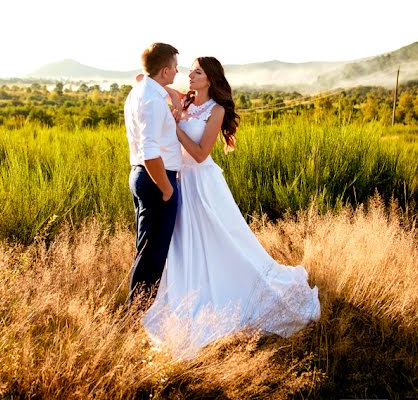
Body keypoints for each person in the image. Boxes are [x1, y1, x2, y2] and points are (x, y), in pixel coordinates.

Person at [141, 56, 320, 359]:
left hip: (203, 184)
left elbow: (199, 154)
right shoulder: (184, 102)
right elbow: (149, 83)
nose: (190, 74)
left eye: (196, 72)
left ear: (210, 78)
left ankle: (235, 288)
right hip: (180, 181)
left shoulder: (216, 110)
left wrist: (175, 129)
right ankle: (188, 292)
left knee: (222, 241)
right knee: (184, 246)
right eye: (190, 70)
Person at [123, 42, 182, 309]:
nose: (177, 72)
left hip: (142, 176)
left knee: (146, 250)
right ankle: (135, 317)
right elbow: (150, 152)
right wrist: (167, 189)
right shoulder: (151, 101)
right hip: (156, 178)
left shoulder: (141, 91)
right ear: (165, 71)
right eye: (175, 68)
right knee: (152, 256)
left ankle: (137, 314)